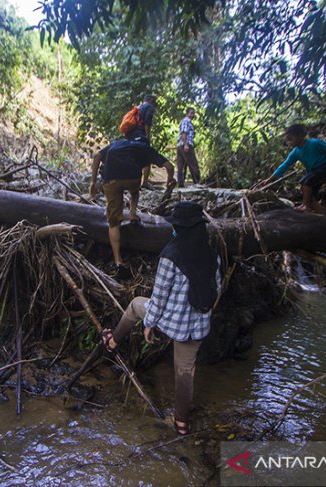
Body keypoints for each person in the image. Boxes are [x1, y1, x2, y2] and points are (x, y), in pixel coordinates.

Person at [101, 201, 221, 435]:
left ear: (180, 228)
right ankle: (181, 423)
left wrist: (149, 324)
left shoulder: (170, 255)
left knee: (136, 305)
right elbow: (215, 289)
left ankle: (113, 340)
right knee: (185, 371)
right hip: (199, 324)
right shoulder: (212, 255)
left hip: (172, 320)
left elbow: (159, 298)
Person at [90, 138, 176, 279]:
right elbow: (170, 167)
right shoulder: (146, 148)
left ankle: (118, 262)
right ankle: (132, 213)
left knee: (113, 223)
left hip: (111, 180)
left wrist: (93, 182)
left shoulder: (117, 143)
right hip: (132, 180)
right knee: (134, 191)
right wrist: (169, 182)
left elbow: (97, 157)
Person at [260, 123, 326, 214]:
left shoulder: (314, 143)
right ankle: (324, 218)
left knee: (305, 181)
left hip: (323, 169)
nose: (289, 142)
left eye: (290, 139)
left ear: (300, 136)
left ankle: (305, 205)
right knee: (310, 197)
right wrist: (270, 179)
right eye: (287, 140)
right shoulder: (295, 152)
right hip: (313, 172)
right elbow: (284, 166)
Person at [126, 94, 157, 188]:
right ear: (151, 100)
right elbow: (147, 122)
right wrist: (147, 136)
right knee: (147, 157)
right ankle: (145, 182)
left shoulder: (138, 107)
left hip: (131, 136)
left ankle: (131, 181)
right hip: (141, 135)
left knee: (134, 157)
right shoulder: (149, 107)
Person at [176, 107, 200, 187]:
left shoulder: (186, 122)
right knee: (193, 164)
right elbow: (183, 133)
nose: (193, 115)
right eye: (191, 113)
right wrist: (186, 144)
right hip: (185, 144)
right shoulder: (186, 121)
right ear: (187, 113)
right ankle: (197, 183)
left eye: (194, 113)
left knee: (181, 166)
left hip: (180, 145)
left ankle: (181, 184)